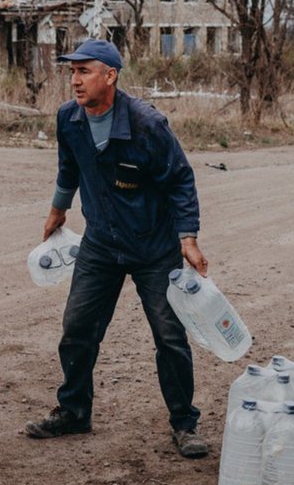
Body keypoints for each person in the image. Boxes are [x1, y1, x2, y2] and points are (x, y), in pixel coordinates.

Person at [23, 38, 210, 458]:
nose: (75, 80)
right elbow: (68, 167)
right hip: (101, 245)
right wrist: (57, 210)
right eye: (72, 72)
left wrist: (188, 239)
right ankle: (74, 412)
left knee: (169, 336)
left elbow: (180, 180)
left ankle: (184, 423)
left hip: (152, 247)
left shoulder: (147, 124)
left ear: (111, 75)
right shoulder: (69, 118)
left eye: (84, 71)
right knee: (77, 330)